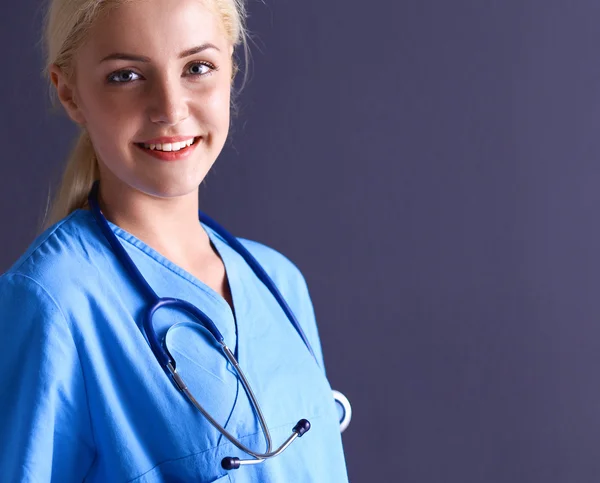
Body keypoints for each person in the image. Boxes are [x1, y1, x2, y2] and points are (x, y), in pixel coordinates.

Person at [0, 0, 349, 480]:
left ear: (230, 67)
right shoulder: (53, 302)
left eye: (197, 67)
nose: (169, 108)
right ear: (70, 93)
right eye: (126, 75)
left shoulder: (278, 283)